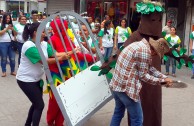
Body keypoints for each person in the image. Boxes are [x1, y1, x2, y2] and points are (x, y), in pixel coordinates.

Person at [16, 22, 71, 126]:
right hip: (25, 80)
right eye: (43, 30)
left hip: (36, 80)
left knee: (36, 103)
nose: (46, 32)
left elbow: (55, 54)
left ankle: (28, 124)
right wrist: (61, 58)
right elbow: (44, 61)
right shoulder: (28, 46)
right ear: (36, 32)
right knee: (39, 105)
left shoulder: (44, 44)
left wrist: (71, 52)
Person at [110, 38, 172, 126]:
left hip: (116, 85)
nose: (155, 56)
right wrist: (162, 82)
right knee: (137, 119)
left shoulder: (140, 45)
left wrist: (164, 77)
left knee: (118, 113)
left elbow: (149, 68)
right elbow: (144, 76)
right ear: (154, 51)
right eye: (157, 54)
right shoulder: (144, 52)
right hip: (126, 89)